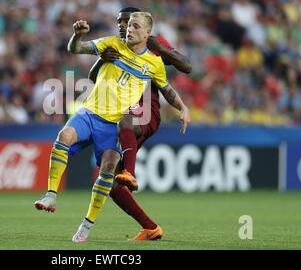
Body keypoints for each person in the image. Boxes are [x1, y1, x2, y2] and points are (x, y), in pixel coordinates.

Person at [34, 12, 189, 243]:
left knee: (107, 169)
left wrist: (183, 107)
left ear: (147, 32)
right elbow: (77, 50)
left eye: (133, 25)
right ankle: (50, 195)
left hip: (116, 123)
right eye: (125, 25)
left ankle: (86, 225)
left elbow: (167, 87)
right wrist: (77, 37)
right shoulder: (112, 44)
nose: (127, 29)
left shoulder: (155, 61)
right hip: (90, 112)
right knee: (64, 135)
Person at [87, 7, 191, 240]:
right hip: (120, 114)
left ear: (142, 29)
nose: (123, 26)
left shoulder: (151, 44)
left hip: (144, 111)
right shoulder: (114, 45)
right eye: (119, 22)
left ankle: (131, 173)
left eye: (129, 22)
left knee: (126, 123)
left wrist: (160, 48)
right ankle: (151, 228)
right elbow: (94, 79)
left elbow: (187, 66)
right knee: (108, 181)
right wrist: (100, 60)